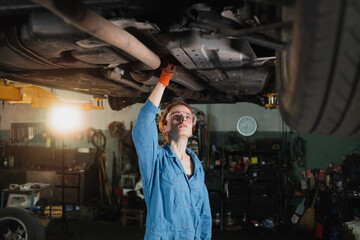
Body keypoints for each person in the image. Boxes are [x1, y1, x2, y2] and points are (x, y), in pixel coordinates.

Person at [132, 64, 212, 240]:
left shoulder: (197, 167)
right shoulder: (156, 161)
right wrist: (163, 81)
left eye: (188, 117)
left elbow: (204, 213)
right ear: (165, 127)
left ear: (192, 128)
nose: (183, 118)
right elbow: (144, 124)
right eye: (176, 116)